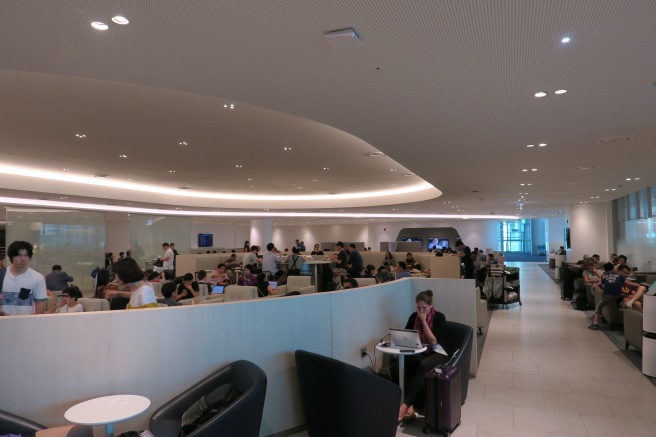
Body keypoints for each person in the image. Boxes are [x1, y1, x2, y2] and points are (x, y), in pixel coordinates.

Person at [398, 290, 449, 421]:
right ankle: (411, 406)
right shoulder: (413, 316)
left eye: (424, 308)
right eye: (418, 307)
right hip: (420, 350)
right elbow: (406, 335)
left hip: (438, 351)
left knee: (423, 364)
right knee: (407, 360)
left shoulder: (439, 317)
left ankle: (405, 404)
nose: (421, 311)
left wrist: (424, 321)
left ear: (430, 306)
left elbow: (434, 341)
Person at [0, 240, 47, 315]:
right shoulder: (2, 275)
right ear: (11, 257)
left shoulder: (38, 278)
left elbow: (39, 304)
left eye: (26, 255)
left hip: (25, 324)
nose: (23, 259)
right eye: (19, 255)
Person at [588, 262, 628, 330]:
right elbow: (625, 283)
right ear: (613, 268)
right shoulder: (618, 276)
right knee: (624, 297)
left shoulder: (603, 275)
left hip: (607, 295)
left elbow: (604, 285)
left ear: (604, 269)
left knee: (598, 307)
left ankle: (595, 323)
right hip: (618, 295)